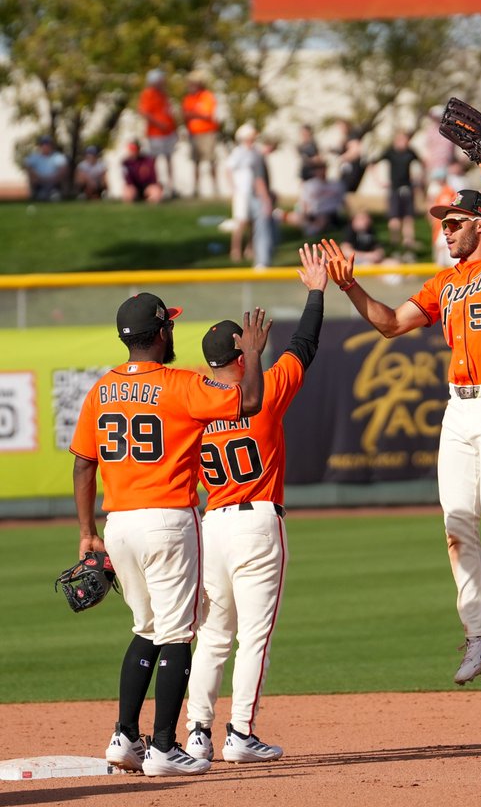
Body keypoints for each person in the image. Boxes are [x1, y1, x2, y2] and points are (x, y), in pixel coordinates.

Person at [319, 148, 481, 688]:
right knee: (456, 523)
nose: (446, 230)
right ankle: (480, 632)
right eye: (444, 223)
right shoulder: (446, 282)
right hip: (458, 407)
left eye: (456, 222)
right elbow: (392, 323)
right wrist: (349, 285)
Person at [69, 294, 270, 777]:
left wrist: (86, 532)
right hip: (167, 521)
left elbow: (82, 463)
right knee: (179, 633)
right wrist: (256, 355)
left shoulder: (101, 390)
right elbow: (250, 400)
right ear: (161, 334)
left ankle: (124, 736)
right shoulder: (180, 384)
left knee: (147, 629)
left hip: (118, 526)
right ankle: (162, 746)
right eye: (170, 326)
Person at [185, 245, 327, 765]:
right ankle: (241, 733)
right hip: (258, 523)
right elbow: (305, 345)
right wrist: (315, 292)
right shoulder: (263, 391)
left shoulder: (194, 405)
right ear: (244, 355)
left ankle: (196, 732)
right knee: (254, 638)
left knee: (213, 638)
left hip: (211, 526)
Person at [228, 124, 274, 268]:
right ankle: (235, 250)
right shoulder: (238, 152)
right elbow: (228, 169)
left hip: (252, 193)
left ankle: (250, 249)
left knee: (253, 222)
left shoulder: (254, 152)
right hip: (242, 192)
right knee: (240, 222)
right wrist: (233, 188)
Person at [376, 129, 423, 259]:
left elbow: (422, 163)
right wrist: (379, 181)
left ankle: (408, 246)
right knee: (394, 219)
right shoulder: (389, 152)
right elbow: (372, 164)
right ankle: (395, 246)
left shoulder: (410, 152)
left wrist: (418, 178)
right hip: (394, 189)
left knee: (408, 218)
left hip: (407, 188)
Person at [138, 69, 180, 198]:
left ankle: (171, 186)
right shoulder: (148, 94)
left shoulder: (163, 94)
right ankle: (154, 186)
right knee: (154, 160)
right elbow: (143, 112)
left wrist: (174, 128)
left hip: (168, 133)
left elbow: (169, 113)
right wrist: (159, 124)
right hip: (156, 133)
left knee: (169, 159)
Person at [182, 70, 221, 198]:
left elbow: (207, 114)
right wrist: (196, 114)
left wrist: (194, 114)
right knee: (196, 162)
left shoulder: (207, 96)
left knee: (211, 160)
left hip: (208, 133)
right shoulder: (188, 99)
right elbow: (185, 115)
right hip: (194, 133)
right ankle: (196, 189)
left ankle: (215, 188)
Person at [288, 161, 347, 237]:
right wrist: (305, 215)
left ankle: (312, 231)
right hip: (312, 213)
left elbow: (343, 201)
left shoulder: (336, 184)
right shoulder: (308, 185)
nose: (321, 172)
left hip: (330, 213)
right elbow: (304, 202)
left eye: (322, 169)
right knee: (295, 216)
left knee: (321, 220)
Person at [24, 134, 69, 201]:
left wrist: (51, 179)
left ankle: (54, 193)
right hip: (39, 183)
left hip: (54, 183)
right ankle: (38, 194)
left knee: (55, 195)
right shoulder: (34, 158)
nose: (45, 146)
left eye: (47, 144)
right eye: (43, 144)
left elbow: (63, 171)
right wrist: (41, 179)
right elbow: (29, 169)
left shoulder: (58, 157)